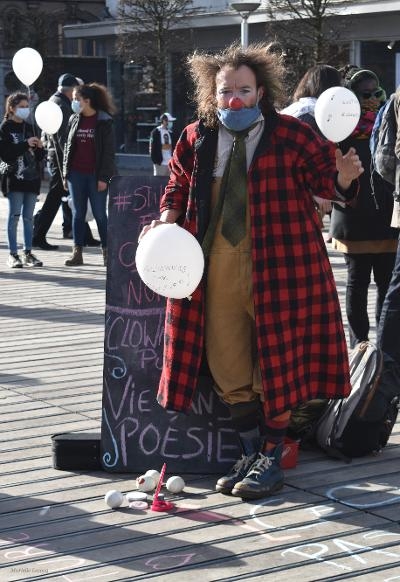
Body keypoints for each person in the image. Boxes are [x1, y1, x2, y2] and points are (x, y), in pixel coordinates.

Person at [139, 43, 363, 500]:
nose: (234, 99)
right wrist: (165, 221)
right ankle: (250, 453)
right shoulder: (196, 137)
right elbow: (177, 186)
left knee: (276, 364)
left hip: (281, 266)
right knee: (228, 365)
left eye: (243, 90)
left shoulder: (293, 135)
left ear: (261, 91)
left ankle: (271, 458)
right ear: (213, 93)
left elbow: (327, 182)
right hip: (214, 266)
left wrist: (342, 178)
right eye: (226, 91)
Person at [330, 66, 399, 349]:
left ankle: (384, 345)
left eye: (375, 92)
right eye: (364, 94)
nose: (371, 99)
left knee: (386, 282)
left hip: (386, 214)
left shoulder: (389, 119)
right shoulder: (340, 125)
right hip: (354, 215)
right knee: (357, 282)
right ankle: (359, 344)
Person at [32, 73, 99, 250]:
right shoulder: (62, 105)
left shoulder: (55, 100)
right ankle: (38, 235)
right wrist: (70, 161)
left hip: (57, 156)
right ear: (71, 90)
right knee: (55, 198)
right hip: (60, 158)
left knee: (74, 198)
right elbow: (64, 138)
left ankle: (84, 236)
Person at [281, 64, 343, 228]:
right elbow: (302, 160)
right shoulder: (313, 116)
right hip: (300, 193)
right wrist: (316, 192)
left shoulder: (294, 110)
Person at [63, 82, 116, 266]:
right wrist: (66, 174)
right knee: (78, 214)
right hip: (76, 174)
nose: (74, 102)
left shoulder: (104, 121)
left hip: (96, 176)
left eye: (77, 99)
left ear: (87, 101)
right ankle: (77, 253)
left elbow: (108, 153)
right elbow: (68, 147)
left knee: (100, 214)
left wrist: (103, 178)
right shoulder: (73, 119)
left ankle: (107, 253)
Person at [0, 92, 45, 268]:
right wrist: (26, 144)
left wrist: (40, 148)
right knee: (14, 216)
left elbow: (39, 157)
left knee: (28, 218)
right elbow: (6, 154)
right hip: (14, 178)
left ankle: (28, 252)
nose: (26, 110)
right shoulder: (5, 128)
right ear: (12, 108)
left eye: (27, 107)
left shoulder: (31, 127)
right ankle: (13, 254)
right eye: (22, 107)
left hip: (32, 179)